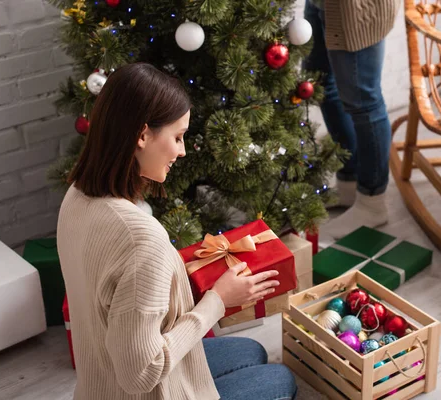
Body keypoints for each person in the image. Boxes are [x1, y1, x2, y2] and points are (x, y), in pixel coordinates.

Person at [57, 63, 297, 400]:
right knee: (281, 379)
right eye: (177, 137)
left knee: (252, 351)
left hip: (99, 383)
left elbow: (115, 297)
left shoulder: (77, 195)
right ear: (142, 136)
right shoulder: (140, 239)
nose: (182, 151)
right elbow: (140, 376)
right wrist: (217, 302)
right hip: (140, 391)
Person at [304, 0, 401, 239]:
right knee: (320, 84)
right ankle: (349, 181)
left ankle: (372, 201)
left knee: (364, 101)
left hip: (355, 7)